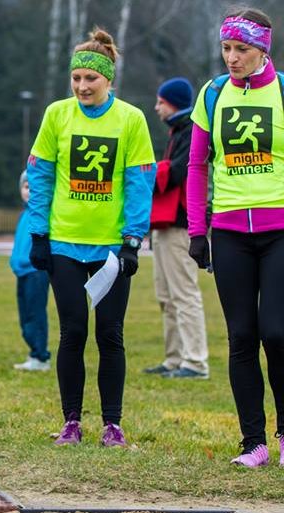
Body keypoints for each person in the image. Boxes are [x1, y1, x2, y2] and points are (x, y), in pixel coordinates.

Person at [27, 28, 155, 448]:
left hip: (110, 248)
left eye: (91, 79)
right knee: (72, 332)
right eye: (76, 78)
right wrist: (38, 233)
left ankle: (112, 424)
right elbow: (41, 176)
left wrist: (133, 239)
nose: (82, 86)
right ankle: (70, 422)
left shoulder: (131, 120)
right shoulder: (56, 115)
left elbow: (139, 183)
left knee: (110, 334)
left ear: (109, 80)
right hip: (64, 242)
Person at [186, 7, 284, 467]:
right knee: (241, 336)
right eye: (226, 48)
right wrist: (196, 230)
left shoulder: (283, 90)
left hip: (279, 231)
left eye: (241, 49)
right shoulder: (211, 93)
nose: (231, 57)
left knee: (277, 333)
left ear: (262, 48)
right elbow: (196, 166)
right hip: (228, 232)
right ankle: (254, 443)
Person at [142, 77, 210, 380]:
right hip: (164, 224)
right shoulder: (176, 132)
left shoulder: (191, 130)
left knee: (184, 294)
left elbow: (180, 173)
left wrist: (149, 170)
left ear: (174, 103)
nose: (157, 107)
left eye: (161, 101)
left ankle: (195, 362)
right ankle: (174, 358)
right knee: (166, 295)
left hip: (180, 223)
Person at [11, 171, 52, 372]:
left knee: (36, 314)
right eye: (26, 187)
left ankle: (41, 356)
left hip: (36, 272)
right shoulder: (24, 214)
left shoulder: (43, 215)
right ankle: (33, 352)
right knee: (25, 314)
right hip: (22, 272)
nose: (30, 191)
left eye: (34, 187)